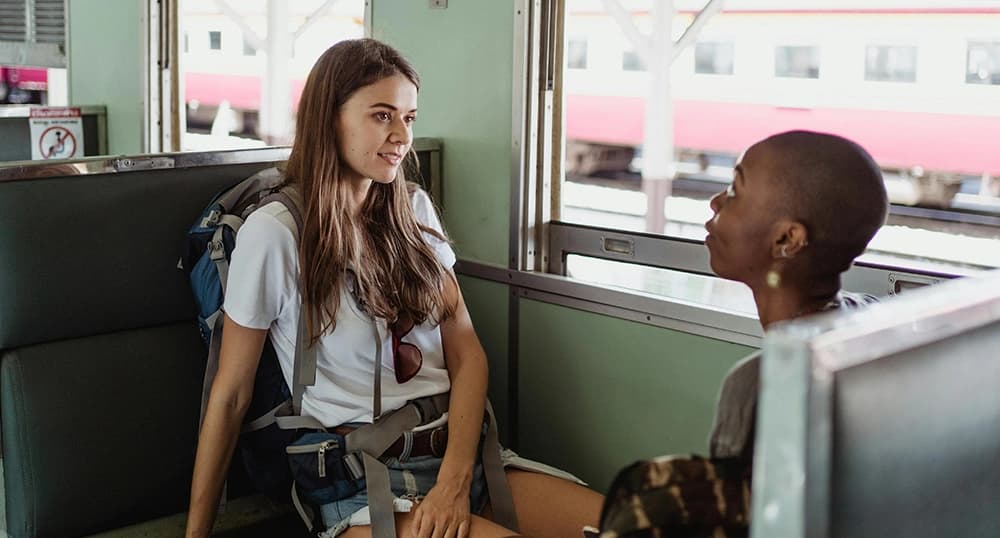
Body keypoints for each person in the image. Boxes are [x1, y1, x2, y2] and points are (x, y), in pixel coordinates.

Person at [185, 38, 602, 538]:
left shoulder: (413, 210)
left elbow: (466, 352)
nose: (401, 135)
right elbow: (230, 394)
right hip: (359, 487)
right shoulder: (276, 233)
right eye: (382, 115)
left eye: (410, 117)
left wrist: (452, 482)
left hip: (461, 458)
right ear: (329, 119)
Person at [598, 130, 888, 535]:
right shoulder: (868, 318)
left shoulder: (762, 383)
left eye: (734, 190)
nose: (716, 202)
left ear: (787, 239)